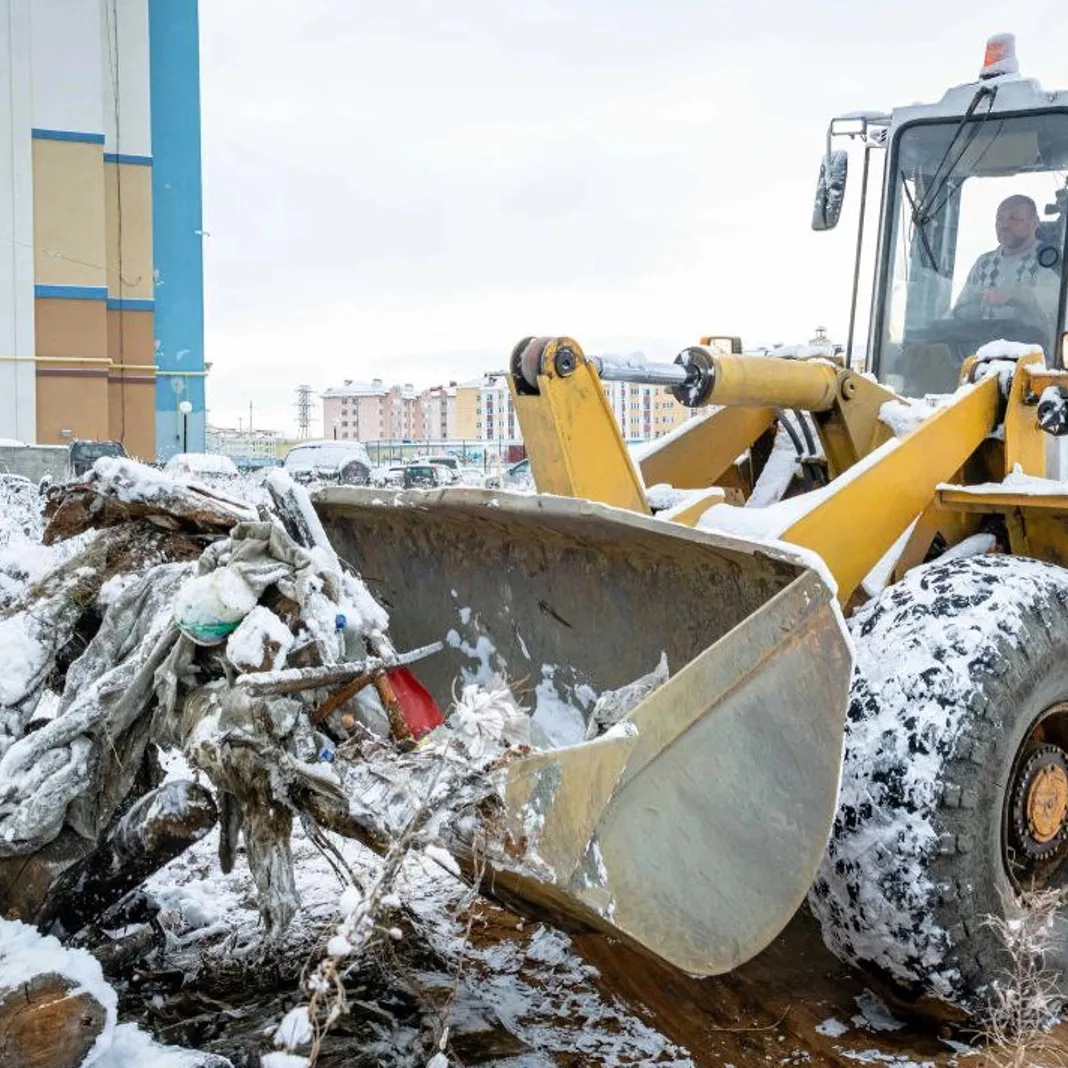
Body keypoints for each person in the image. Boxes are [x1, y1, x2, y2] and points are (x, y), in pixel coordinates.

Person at [954, 194, 1060, 330]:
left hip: (1033, 347)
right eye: (1000, 218)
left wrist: (1013, 296)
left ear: (1034, 223)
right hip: (982, 345)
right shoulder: (984, 264)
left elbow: (1052, 305)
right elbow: (961, 310)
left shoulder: (1049, 260)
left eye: (1014, 218)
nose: (1004, 225)